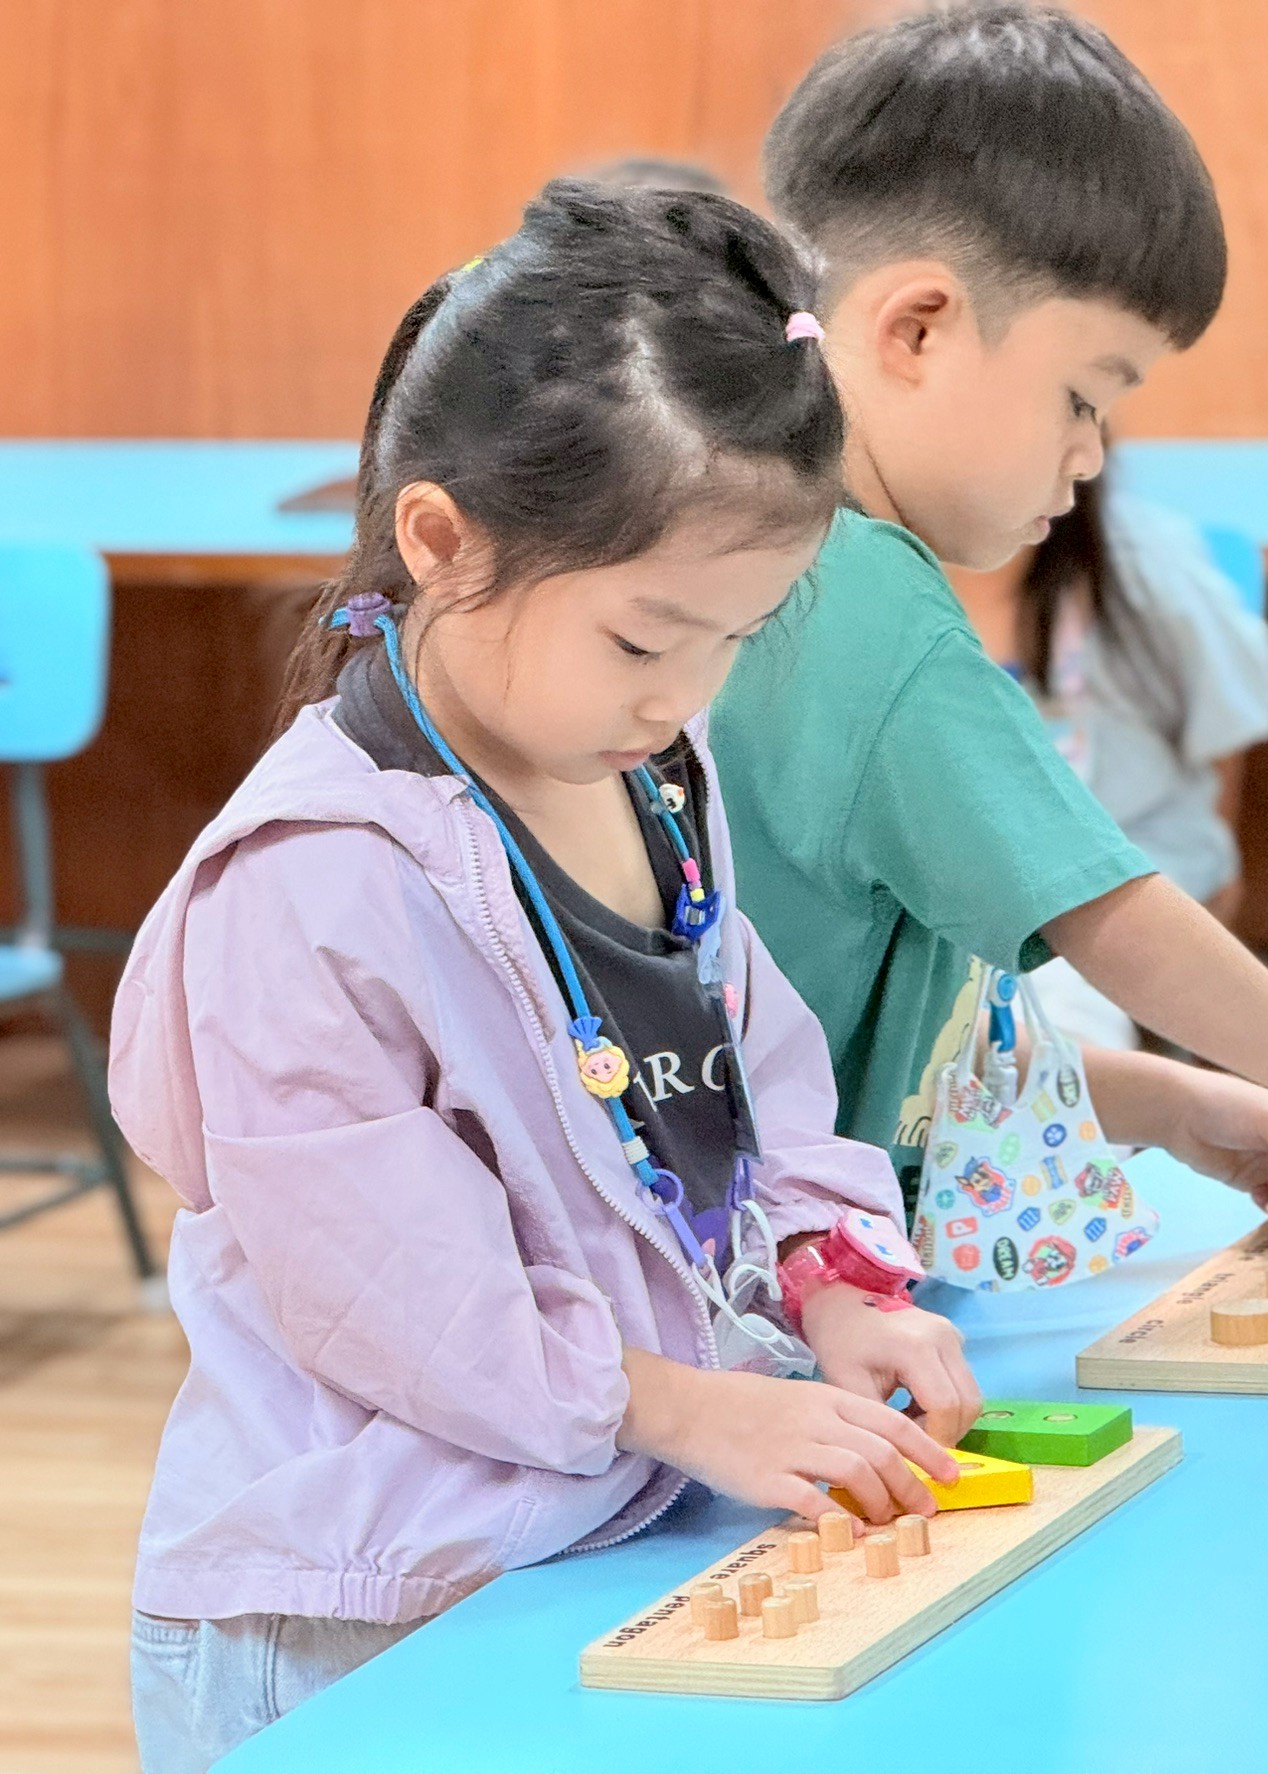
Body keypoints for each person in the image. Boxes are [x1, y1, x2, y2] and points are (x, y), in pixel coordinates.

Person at [115, 181, 977, 1770]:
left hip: (595, 1536)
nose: (683, 693)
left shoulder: (651, 771)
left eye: (737, 638)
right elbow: (402, 1306)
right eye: (645, 641)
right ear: (443, 543)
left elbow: (753, 1071)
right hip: (363, 1614)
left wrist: (828, 1277)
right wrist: (688, 1407)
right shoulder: (313, 884)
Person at [711, 4, 1268, 1236]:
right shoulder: (870, 601)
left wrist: (1168, 1100)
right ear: (918, 328)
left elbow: (870, 1051)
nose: (1092, 454)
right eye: (1083, 395)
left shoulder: (747, 542)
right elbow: (1113, 918)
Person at [943, 468, 1268, 1049]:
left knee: (1060, 1002)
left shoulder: (1147, 568)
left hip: (1120, 859)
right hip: (942, 876)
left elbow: (1222, 734)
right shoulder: (848, 559)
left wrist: (1211, 884)